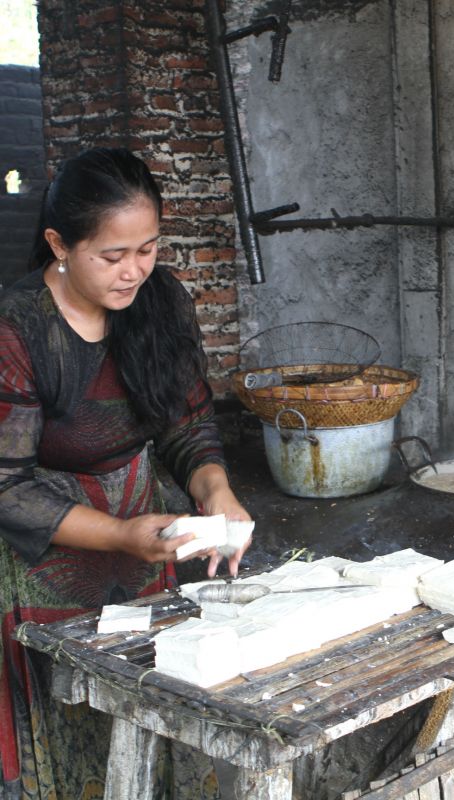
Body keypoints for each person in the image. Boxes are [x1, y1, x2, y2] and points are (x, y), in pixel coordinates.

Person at [0, 147, 251, 799]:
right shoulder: (19, 330)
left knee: (154, 698)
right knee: (73, 719)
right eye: (113, 256)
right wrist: (118, 536)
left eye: (147, 248)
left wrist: (217, 493)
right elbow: (8, 487)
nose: (134, 270)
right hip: (45, 552)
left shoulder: (158, 300)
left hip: (142, 536)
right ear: (59, 243)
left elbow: (184, 420)